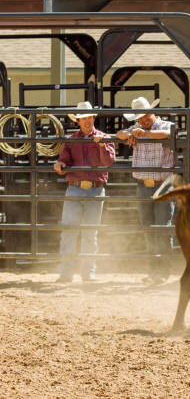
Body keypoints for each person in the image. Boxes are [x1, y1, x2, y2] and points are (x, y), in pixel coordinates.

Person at [54, 101, 115, 282]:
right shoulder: (72, 140)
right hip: (76, 188)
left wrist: (102, 145)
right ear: (78, 121)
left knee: (89, 233)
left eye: (89, 117)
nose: (87, 121)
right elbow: (64, 159)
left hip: (92, 190)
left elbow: (109, 162)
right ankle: (67, 273)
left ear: (93, 118)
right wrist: (61, 164)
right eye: (83, 118)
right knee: (70, 231)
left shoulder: (104, 138)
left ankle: (87, 273)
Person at [116, 97, 174, 284]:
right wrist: (131, 133)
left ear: (152, 112)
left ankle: (161, 272)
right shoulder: (136, 129)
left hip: (162, 184)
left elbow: (167, 133)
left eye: (145, 115)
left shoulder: (165, 125)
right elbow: (119, 135)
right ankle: (154, 271)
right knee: (149, 229)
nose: (143, 120)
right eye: (140, 118)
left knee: (162, 228)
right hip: (144, 185)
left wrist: (143, 134)